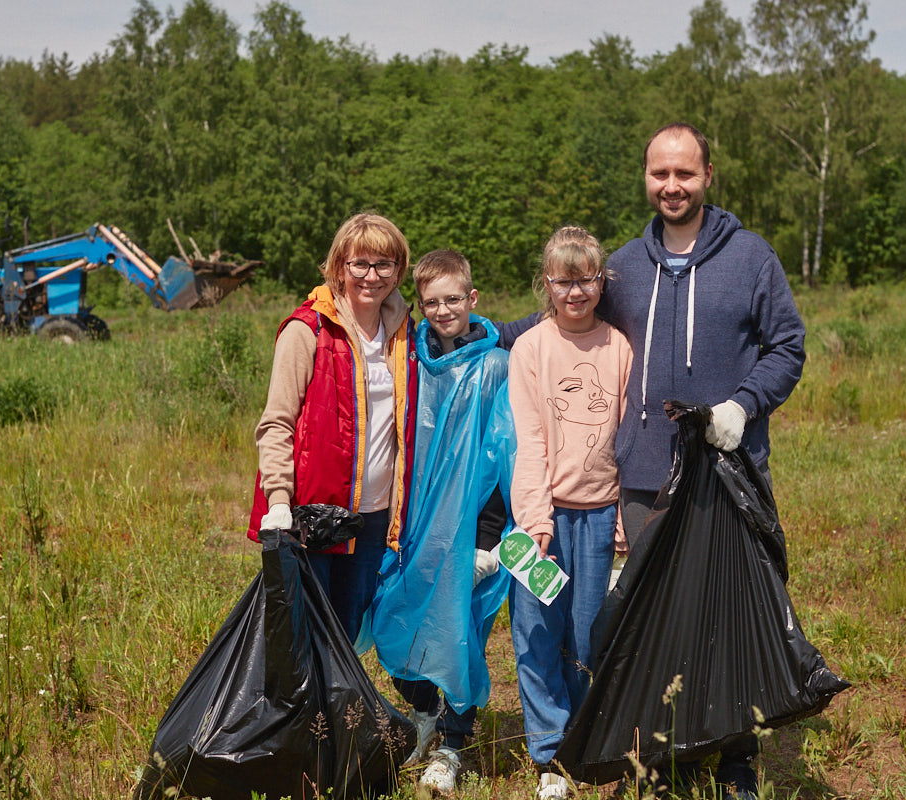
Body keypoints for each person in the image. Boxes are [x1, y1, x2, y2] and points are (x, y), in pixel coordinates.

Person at [599, 122, 807, 798]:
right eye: (660, 173)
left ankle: (736, 754)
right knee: (656, 616)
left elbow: (788, 346)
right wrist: (481, 331)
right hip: (645, 474)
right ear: (646, 177)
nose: (672, 186)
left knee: (728, 615)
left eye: (684, 173)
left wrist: (743, 405)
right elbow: (566, 321)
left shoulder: (751, 258)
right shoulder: (623, 267)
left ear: (708, 176)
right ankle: (666, 750)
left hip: (725, 470)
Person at [366, 249, 515, 795]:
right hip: (411, 526)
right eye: (432, 302)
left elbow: (502, 456)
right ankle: (426, 711)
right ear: (419, 306)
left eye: (453, 299)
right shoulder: (411, 363)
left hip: (471, 532)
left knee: (459, 632)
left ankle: (454, 742)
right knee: (391, 619)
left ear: (472, 299)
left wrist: (487, 543)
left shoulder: (496, 367)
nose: (444, 310)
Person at [248, 212, 417, 646]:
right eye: (359, 264)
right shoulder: (308, 329)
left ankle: (336, 694)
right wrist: (279, 501)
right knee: (304, 637)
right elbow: (277, 422)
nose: (371, 276)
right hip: (314, 515)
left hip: (376, 515)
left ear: (398, 270)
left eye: (384, 265)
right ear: (339, 266)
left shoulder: (405, 332)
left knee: (347, 632)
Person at [506, 226, 632, 800]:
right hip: (545, 516)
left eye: (586, 280)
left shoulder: (619, 347)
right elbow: (529, 440)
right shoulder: (532, 348)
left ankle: (586, 738)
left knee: (589, 636)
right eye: (564, 281)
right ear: (547, 283)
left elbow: (630, 438)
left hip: (602, 515)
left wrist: (625, 518)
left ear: (601, 282)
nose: (575, 292)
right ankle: (549, 754)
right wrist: (535, 520)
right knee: (537, 633)